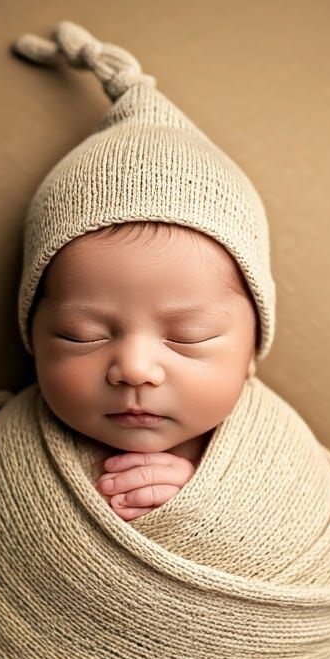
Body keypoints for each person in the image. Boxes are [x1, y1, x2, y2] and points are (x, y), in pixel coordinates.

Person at [29, 219, 260, 520]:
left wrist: (204, 509)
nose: (135, 370)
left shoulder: (282, 460)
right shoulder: (11, 458)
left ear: (251, 350)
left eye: (189, 336)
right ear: (34, 343)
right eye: (82, 335)